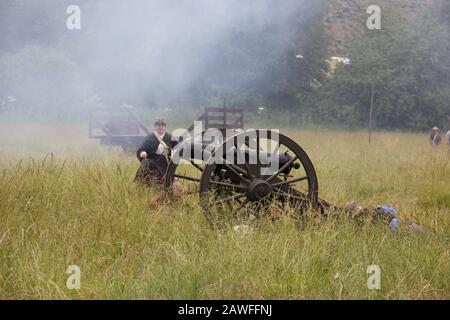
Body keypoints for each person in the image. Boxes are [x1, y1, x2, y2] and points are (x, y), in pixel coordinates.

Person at [134, 118, 181, 205]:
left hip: (166, 163)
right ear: (155, 127)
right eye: (158, 125)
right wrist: (142, 153)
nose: (160, 127)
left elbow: (178, 149)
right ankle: (145, 195)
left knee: (169, 182)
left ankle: (166, 195)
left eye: (162, 125)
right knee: (145, 183)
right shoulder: (149, 138)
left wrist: (171, 152)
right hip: (152, 162)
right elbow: (141, 149)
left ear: (165, 127)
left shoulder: (170, 137)